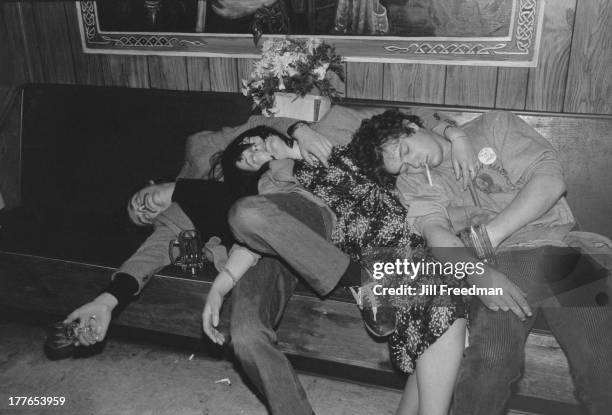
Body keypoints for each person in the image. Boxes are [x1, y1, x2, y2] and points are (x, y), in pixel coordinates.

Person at [64, 106, 475, 415]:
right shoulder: (179, 215)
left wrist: (290, 134)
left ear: (154, 182)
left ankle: (361, 275)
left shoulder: (205, 151)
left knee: (249, 211)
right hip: (264, 248)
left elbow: (261, 123)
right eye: (141, 212)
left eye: (142, 198)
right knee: (244, 336)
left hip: (302, 214)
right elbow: (150, 256)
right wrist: (107, 299)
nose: (144, 205)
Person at [200, 122, 476, 415]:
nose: (256, 153)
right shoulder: (270, 182)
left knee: (437, 311)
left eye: (254, 146)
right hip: (287, 236)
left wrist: (456, 135)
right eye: (248, 161)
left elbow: (410, 124)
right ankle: (357, 276)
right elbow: (256, 227)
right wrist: (220, 286)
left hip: (345, 234)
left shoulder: (327, 142)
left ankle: (358, 275)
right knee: (245, 335)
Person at [351, 109, 612, 415]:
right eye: (402, 167)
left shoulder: (493, 126)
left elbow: (550, 182)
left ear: (411, 127)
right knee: (491, 357)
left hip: (564, 248)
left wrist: (486, 238)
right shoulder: (413, 182)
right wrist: (475, 271)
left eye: (406, 151)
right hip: (502, 260)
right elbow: (436, 233)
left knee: (600, 359)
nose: (411, 165)